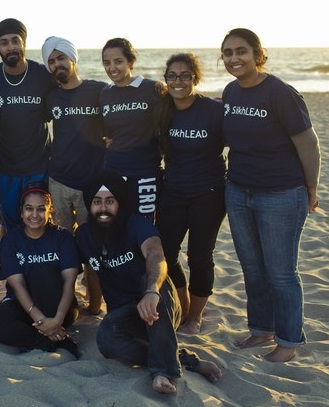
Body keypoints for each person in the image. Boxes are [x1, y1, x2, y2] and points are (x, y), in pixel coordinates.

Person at [220, 28, 321, 362]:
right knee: (252, 268)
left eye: (241, 51)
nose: (234, 58)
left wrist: (311, 187)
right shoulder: (231, 91)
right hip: (238, 191)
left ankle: (288, 342)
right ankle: (261, 329)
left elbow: (308, 143)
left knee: (281, 272)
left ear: (257, 55)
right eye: (228, 53)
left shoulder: (280, 92)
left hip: (280, 194)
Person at [75, 171, 222, 393]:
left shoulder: (136, 224)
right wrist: (94, 308)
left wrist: (152, 290)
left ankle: (163, 372)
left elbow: (156, 254)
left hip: (159, 305)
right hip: (125, 314)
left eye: (110, 201)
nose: (103, 208)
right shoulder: (84, 235)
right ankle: (183, 358)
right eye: (97, 202)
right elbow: (92, 272)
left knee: (150, 278)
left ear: (120, 203)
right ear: (89, 205)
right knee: (106, 339)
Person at [153, 53, 226, 334]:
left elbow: (243, 141)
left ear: (195, 78)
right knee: (166, 253)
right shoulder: (162, 110)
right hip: (173, 191)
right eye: (172, 76)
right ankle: (182, 305)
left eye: (185, 75)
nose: (178, 81)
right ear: (166, 79)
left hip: (209, 193)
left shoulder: (214, 110)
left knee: (199, 256)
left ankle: (195, 317)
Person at [0, 181, 81, 359]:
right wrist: (42, 321)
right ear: (21, 212)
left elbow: (69, 283)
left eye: (41, 209)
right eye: (29, 209)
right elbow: (18, 285)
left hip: (60, 307)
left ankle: (51, 331)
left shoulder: (63, 237)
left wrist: (58, 319)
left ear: (50, 210)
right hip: (25, 307)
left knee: (43, 271)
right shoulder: (10, 241)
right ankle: (50, 339)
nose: (34, 214)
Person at [0, 18, 55, 233]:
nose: (10, 47)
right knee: (9, 226)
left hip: (39, 167)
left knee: (41, 225)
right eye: (4, 42)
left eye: (15, 41)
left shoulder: (43, 75)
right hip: (5, 169)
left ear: (24, 42)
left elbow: (68, 99)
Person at [41, 36, 107, 232]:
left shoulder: (99, 90)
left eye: (61, 58)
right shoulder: (50, 97)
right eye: (51, 61)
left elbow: (124, 105)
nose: (56, 64)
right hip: (58, 181)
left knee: (92, 238)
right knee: (61, 238)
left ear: (73, 58)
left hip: (92, 181)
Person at [99, 38, 163, 218]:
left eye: (118, 61)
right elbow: (108, 130)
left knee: (143, 224)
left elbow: (170, 121)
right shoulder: (105, 93)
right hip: (114, 170)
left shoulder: (153, 89)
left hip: (145, 172)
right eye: (107, 63)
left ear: (131, 62)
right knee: (115, 222)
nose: (112, 68)